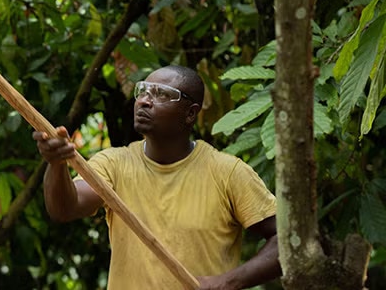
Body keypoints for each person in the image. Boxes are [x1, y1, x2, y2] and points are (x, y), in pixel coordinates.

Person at [34, 65, 281, 290]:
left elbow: (286, 238)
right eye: (142, 91)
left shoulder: (228, 173)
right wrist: (55, 164)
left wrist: (227, 282)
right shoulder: (113, 164)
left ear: (190, 113)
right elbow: (64, 209)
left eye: (161, 95)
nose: (144, 101)